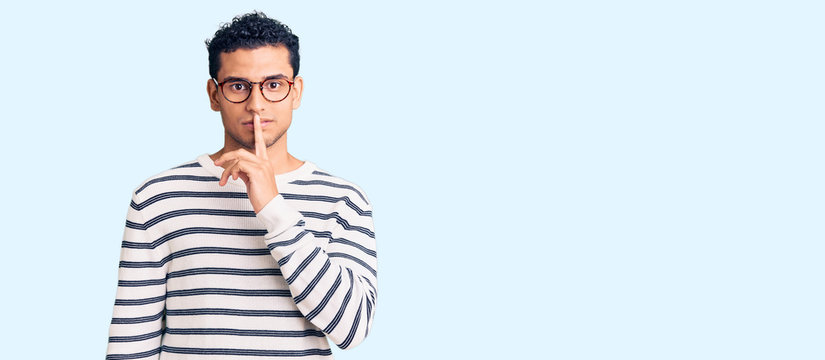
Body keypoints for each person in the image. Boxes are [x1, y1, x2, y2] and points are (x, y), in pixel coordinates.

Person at [106, 11, 377, 359]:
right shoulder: (158, 198)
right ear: (214, 94)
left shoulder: (344, 200)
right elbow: (130, 343)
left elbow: (351, 329)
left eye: (274, 85)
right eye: (238, 86)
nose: (256, 104)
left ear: (297, 92)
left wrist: (274, 210)